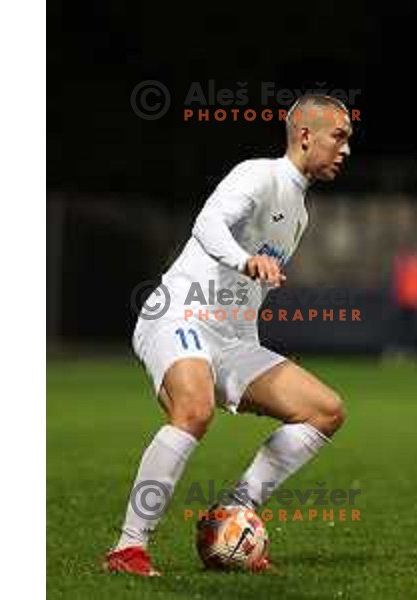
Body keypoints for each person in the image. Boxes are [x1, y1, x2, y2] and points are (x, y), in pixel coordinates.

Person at [105, 95, 353, 576]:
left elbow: (245, 297)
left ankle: (233, 511)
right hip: (178, 315)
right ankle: (127, 549)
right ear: (305, 135)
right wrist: (244, 259)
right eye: (338, 137)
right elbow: (208, 223)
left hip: (231, 339)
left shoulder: (298, 212)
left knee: (325, 411)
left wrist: (245, 347)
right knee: (193, 410)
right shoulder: (259, 174)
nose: (345, 150)